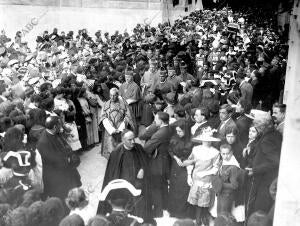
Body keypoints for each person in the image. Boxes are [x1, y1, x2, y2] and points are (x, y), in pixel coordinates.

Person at [97, 129, 153, 223]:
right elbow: (112, 174)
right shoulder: (116, 153)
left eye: (133, 139)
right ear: (123, 140)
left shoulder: (138, 147)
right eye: (129, 140)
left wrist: (143, 168)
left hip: (138, 184)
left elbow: (146, 161)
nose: (133, 142)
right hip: (124, 187)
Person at [181, 127, 221, 226]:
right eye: (204, 139)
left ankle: (203, 217)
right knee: (197, 200)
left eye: (208, 140)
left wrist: (205, 173)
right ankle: (198, 219)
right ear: (201, 139)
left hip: (207, 179)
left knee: (205, 201)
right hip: (196, 178)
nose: (206, 142)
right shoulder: (196, 149)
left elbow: (216, 168)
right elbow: (190, 163)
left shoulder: (215, 152)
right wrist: (189, 176)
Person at [245, 112, 282, 219]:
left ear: (262, 127)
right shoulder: (274, 134)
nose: (257, 129)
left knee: (258, 208)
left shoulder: (267, 139)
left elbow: (275, 161)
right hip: (268, 180)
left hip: (265, 182)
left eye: (257, 127)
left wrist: (255, 170)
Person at [36, 116, 81, 201]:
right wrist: (68, 159)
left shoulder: (54, 133)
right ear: (55, 127)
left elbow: (64, 145)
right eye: (59, 125)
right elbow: (52, 160)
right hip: (57, 176)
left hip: (66, 169)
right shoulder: (43, 142)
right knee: (63, 196)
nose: (61, 127)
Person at [143, 111, 172, 217]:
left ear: (160, 120)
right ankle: (165, 206)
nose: (155, 122)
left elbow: (146, 148)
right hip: (166, 162)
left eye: (156, 120)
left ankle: (158, 212)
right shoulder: (169, 129)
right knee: (163, 185)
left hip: (158, 164)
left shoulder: (160, 133)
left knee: (156, 187)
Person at [168, 120, 194, 218]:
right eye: (177, 131)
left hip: (186, 167)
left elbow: (191, 155)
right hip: (175, 165)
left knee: (183, 189)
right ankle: (174, 211)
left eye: (180, 131)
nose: (178, 133)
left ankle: (182, 213)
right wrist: (176, 158)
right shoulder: (175, 138)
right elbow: (170, 150)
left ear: (185, 130)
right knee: (174, 188)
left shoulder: (192, 140)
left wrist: (185, 161)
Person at [99, 88, 135, 158]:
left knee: (122, 148)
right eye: (111, 95)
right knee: (111, 148)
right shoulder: (106, 104)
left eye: (114, 95)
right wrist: (111, 129)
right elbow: (103, 117)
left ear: (118, 95)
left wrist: (121, 127)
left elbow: (128, 116)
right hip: (110, 130)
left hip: (121, 128)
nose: (112, 97)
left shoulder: (124, 104)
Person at [217, 144, 240, 215]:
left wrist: (220, 184)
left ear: (231, 153)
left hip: (227, 195)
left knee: (224, 215)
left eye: (228, 154)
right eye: (223, 154)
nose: (225, 156)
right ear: (220, 153)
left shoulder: (233, 167)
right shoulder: (221, 162)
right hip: (221, 193)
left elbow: (234, 186)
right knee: (219, 214)